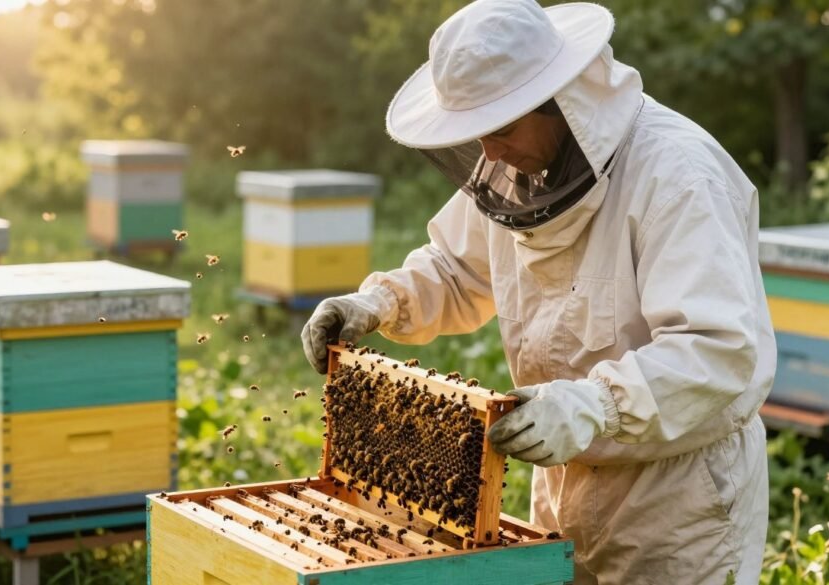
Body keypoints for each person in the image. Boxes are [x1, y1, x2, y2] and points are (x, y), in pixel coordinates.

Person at [301, 0, 774, 583]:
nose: (490, 153)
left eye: (501, 129)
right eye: (476, 136)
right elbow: (454, 268)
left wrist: (595, 403)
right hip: (561, 477)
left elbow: (718, 349)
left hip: (677, 502)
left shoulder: (678, 175)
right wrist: (377, 302)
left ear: (560, 101)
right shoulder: (520, 171)